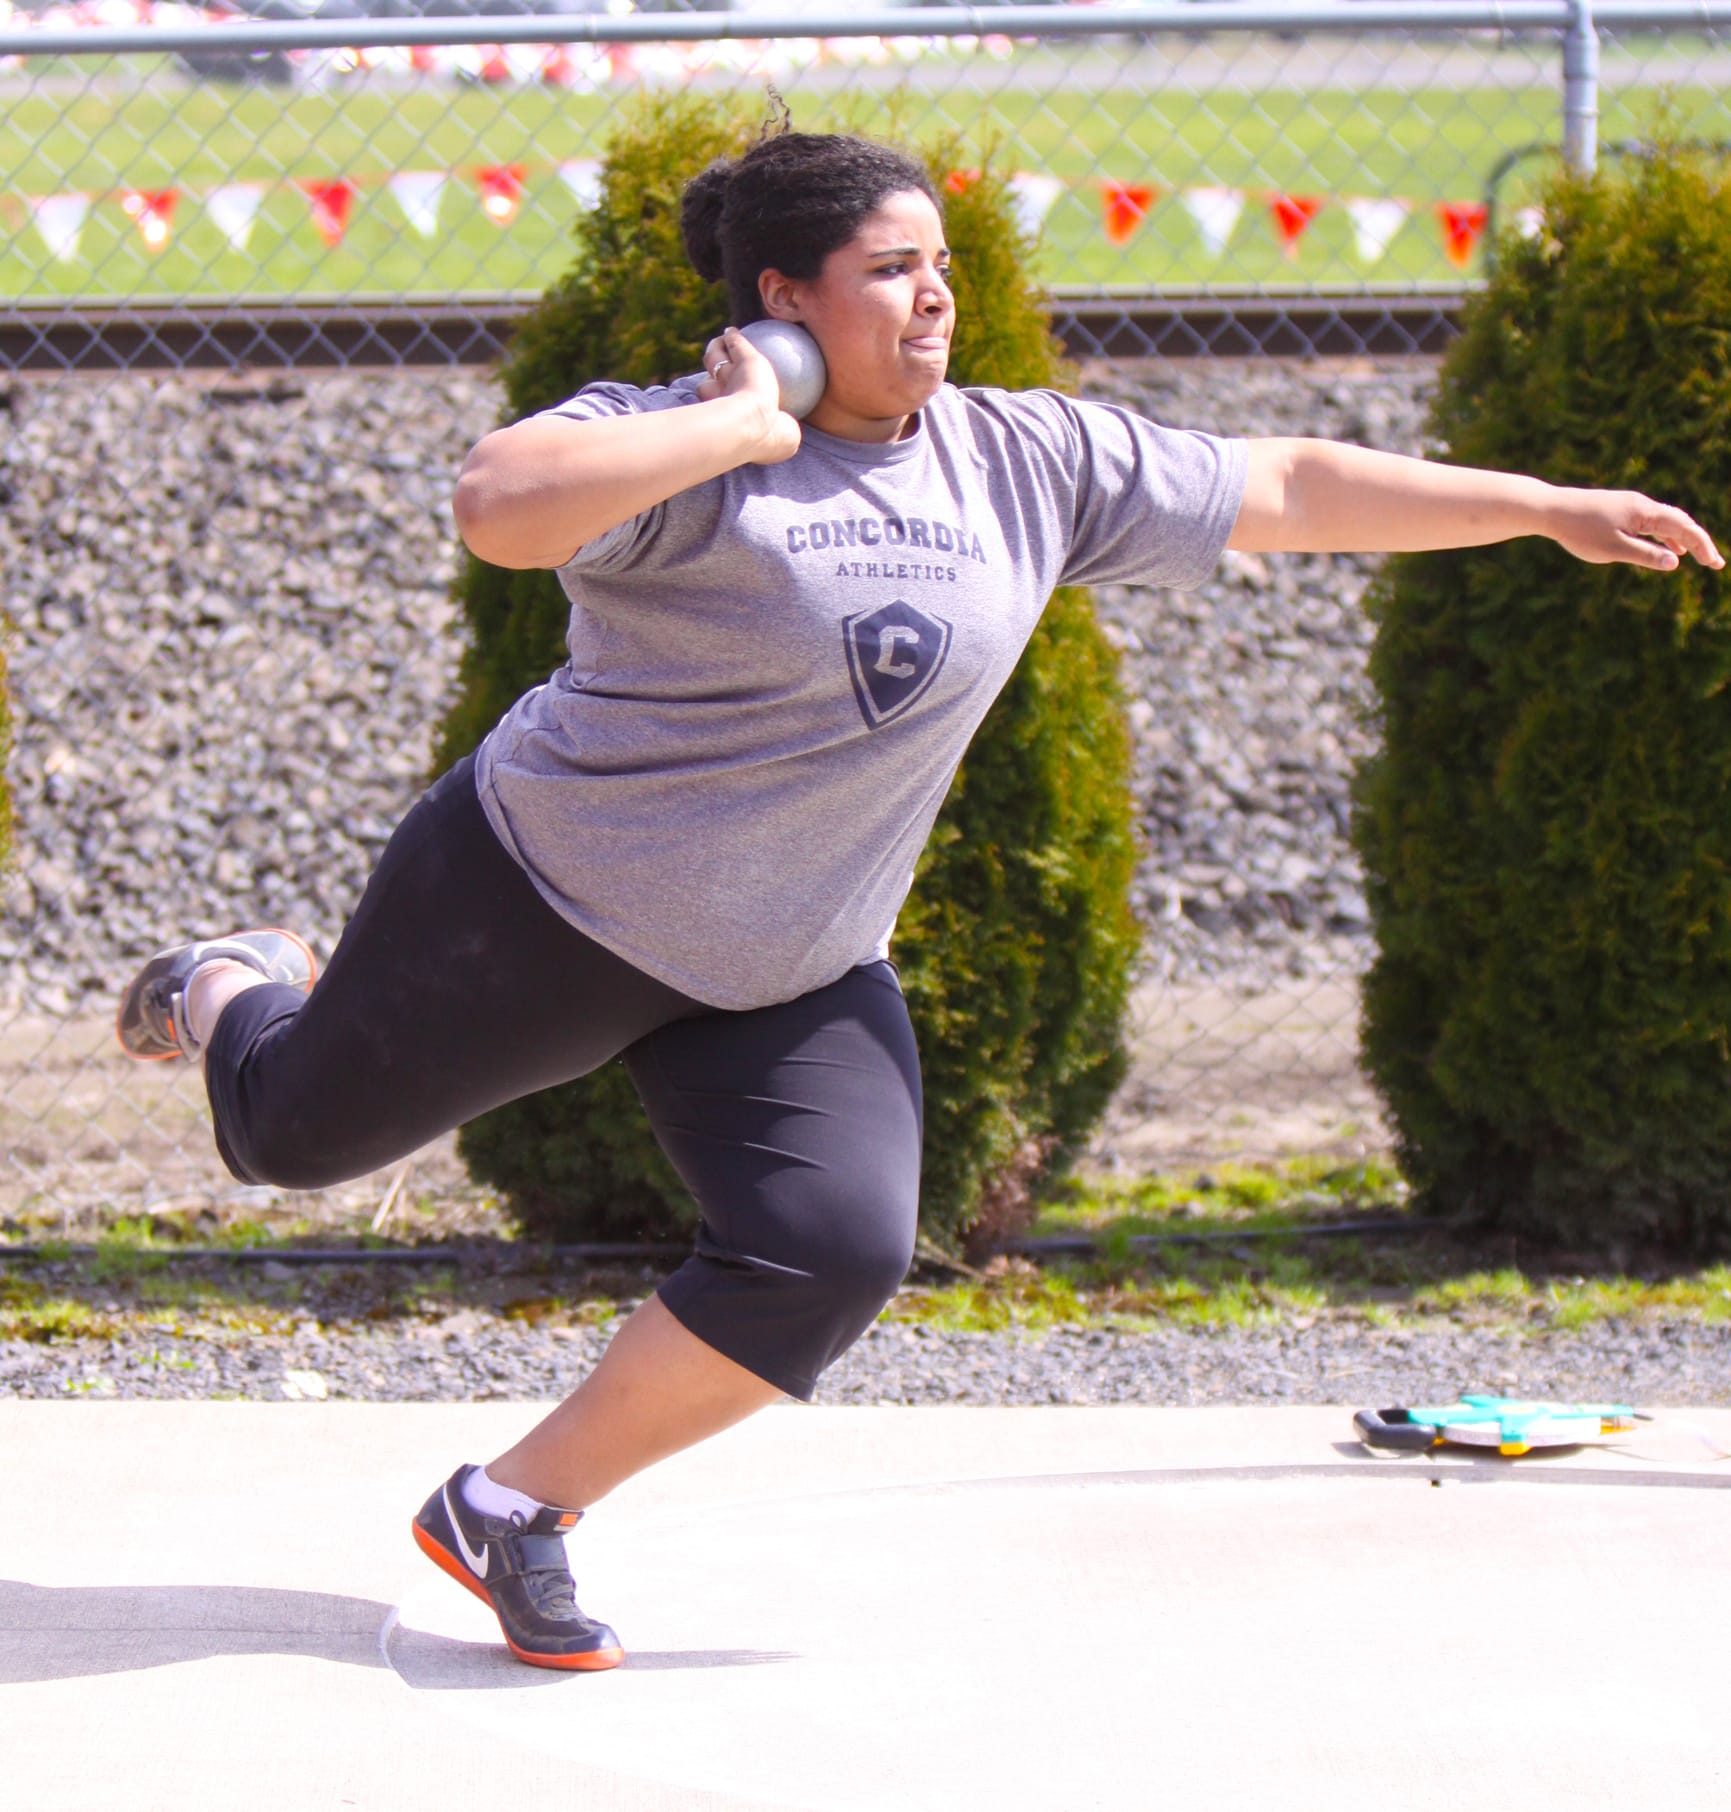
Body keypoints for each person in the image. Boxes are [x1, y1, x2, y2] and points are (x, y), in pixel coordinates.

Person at [115, 129, 1722, 1672]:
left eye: (940, 262)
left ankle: (511, 1504)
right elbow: (499, 504)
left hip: (791, 963)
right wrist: (746, 431)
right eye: (891, 271)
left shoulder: (1021, 459)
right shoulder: (681, 445)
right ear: (783, 306)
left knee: (831, 1248)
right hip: (547, 900)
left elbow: (1287, 480)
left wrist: (1548, 508)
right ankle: (236, 975)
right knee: (285, 1137)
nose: (937, 295)